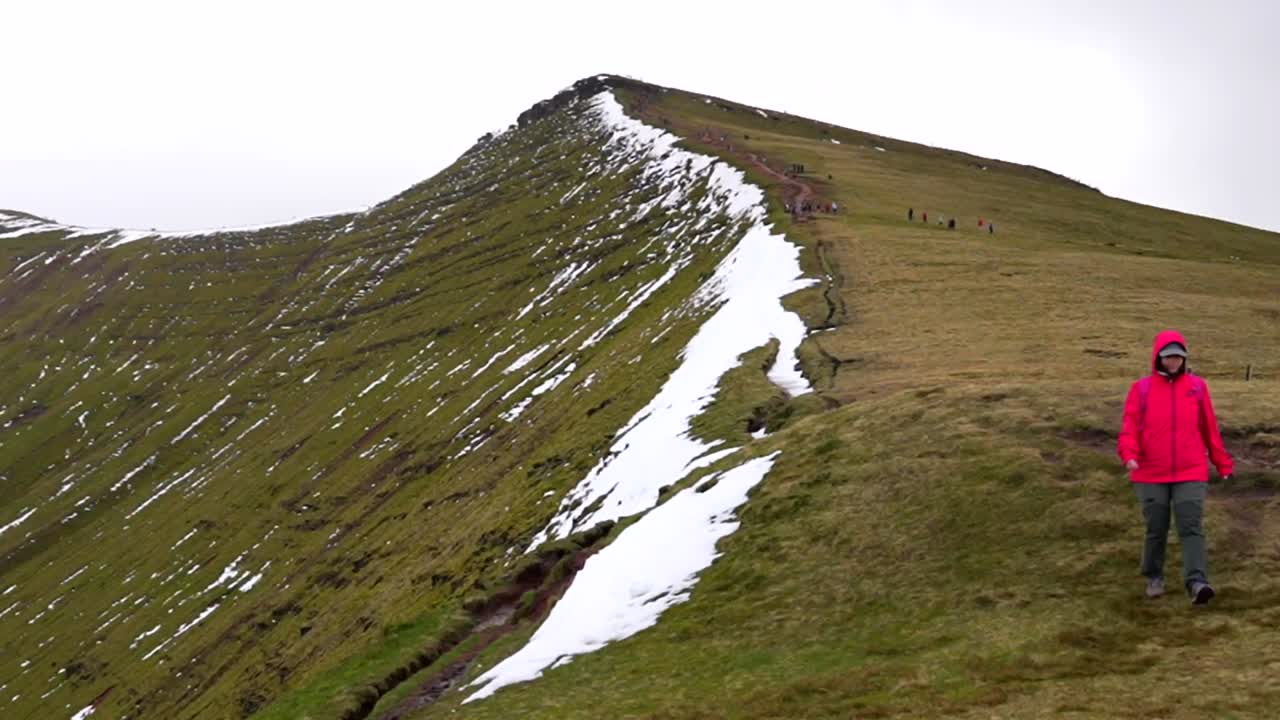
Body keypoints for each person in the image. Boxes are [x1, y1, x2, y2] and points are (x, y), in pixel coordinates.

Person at [1117, 331, 1233, 604]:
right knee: (1156, 527)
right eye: (1169, 356)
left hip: (1190, 471)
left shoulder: (1197, 387)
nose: (1173, 361)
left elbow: (1209, 428)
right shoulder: (1141, 389)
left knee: (1190, 526)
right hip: (1149, 472)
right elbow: (1129, 428)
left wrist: (1222, 462)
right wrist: (1129, 454)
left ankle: (1197, 582)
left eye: (1178, 357)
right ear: (1158, 357)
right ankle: (1153, 575)